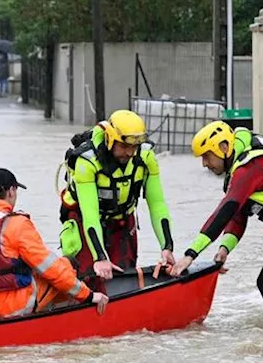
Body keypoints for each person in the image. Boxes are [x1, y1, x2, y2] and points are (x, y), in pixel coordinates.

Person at [170, 121, 263, 323]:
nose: (204, 164)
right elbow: (238, 217)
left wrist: (190, 255)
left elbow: (225, 212)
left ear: (224, 148)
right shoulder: (241, 168)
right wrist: (224, 249)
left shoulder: (248, 169)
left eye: (207, 156)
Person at [0, 168, 110, 317]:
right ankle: (72, 316)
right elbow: (51, 268)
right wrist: (88, 295)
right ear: (11, 191)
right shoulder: (17, 224)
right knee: (66, 265)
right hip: (11, 307)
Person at [58, 110, 176, 288]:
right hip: (85, 222)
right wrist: (100, 257)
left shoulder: (146, 158)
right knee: (88, 278)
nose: (129, 153)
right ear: (110, 139)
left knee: (124, 276)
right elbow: (90, 214)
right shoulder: (87, 162)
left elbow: (157, 204)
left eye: (133, 147)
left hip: (121, 221)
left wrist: (167, 246)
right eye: (123, 146)